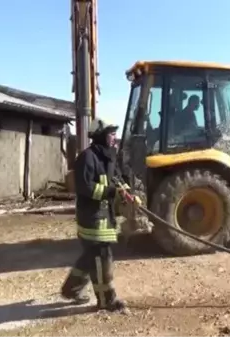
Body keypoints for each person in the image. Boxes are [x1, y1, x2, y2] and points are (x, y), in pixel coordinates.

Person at [60, 118, 141, 313]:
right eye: (111, 134)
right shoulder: (87, 157)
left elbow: (117, 178)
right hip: (92, 219)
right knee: (102, 257)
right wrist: (111, 192)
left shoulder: (107, 156)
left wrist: (129, 194)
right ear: (100, 136)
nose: (114, 137)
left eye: (114, 133)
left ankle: (71, 289)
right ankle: (107, 300)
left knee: (90, 257)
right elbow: (85, 187)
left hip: (104, 216)